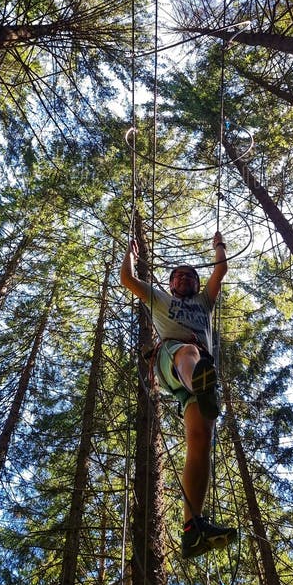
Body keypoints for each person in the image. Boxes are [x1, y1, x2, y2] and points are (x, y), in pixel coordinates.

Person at [120, 230, 238, 559]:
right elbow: (127, 279)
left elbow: (220, 271)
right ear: (171, 284)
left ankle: (192, 528)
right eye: (178, 276)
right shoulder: (161, 300)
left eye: (189, 276)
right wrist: (130, 253)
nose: (184, 278)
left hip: (202, 374)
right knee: (188, 351)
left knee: (201, 439)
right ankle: (197, 382)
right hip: (173, 356)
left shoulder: (204, 303)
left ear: (196, 286)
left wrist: (218, 246)